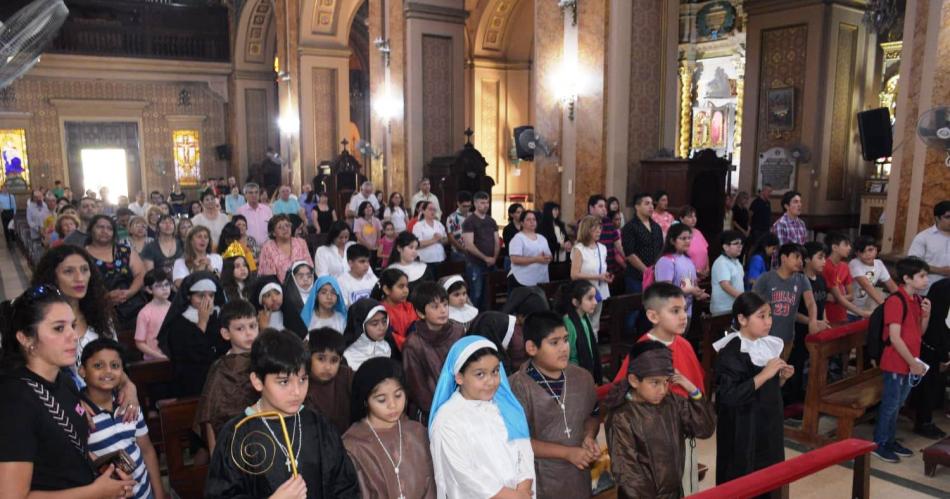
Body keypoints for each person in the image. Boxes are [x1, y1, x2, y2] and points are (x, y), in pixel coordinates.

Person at [0, 285, 138, 498]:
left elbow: (69, 452)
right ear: (26, 338)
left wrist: (107, 475)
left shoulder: (65, 381)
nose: (73, 336)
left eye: (72, 326)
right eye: (58, 328)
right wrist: (95, 492)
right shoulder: (15, 401)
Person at [206, 329, 360, 498]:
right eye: (284, 382)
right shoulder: (236, 434)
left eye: (303, 379)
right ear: (257, 381)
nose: (297, 392)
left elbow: (345, 487)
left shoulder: (319, 425)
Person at [428, 336, 535, 498]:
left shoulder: (508, 408)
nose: (491, 381)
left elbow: (524, 453)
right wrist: (515, 497)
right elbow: (465, 477)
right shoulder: (447, 420)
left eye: (495, 371)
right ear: (459, 377)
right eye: (480, 374)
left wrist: (523, 489)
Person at [605, 341, 715, 499]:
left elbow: (704, 429)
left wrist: (693, 391)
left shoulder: (671, 401)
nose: (662, 390)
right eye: (655, 382)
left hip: (674, 492)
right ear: (634, 380)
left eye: (666, 381)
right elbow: (629, 474)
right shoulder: (621, 416)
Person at [508, 310, 599, 499]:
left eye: (565, 340)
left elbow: (593, 415)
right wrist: (567, 453)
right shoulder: (518, 386)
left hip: (578, 475)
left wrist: (589, 436)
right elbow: (518, 442)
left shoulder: (582, 377)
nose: (564, 348)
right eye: (554, 342)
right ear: (532, 348)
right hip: (541, 478)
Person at [713, 292, 792, 489]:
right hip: (743, 428)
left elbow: (768, 390)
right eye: (761, 316)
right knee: (744, 479)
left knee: (771, 474)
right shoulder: (731, 352)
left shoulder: (768, 345)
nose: (768, 322)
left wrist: (781, 378)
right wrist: (764, 374)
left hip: (768, 425)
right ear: (742, 319)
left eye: (770, 315)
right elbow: (728, 396)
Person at [79, 339, 166, 499]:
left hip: (145, 493)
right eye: (98, 366)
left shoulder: (129, 404)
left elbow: (147, 450)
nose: (108, 371)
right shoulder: (81, 413)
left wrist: (159, 494)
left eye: (115, 365)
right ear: (82, 371)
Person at [343, 357, 437, 498]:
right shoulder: (353, 445)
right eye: (382, 399)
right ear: (365, 401)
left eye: (398, 395)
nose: (392, 405)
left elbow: (432, 485)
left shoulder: (418, 432)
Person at [872, 257, 933, 463]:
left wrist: (926, 316)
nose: (926, 280)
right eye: (921, 276)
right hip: (896, 361)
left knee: (898, 404)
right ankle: (880, 443)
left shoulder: (915, 300)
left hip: (909, 361)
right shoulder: (896, 300)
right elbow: (895, 338)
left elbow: (919, 333)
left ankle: (889, 440)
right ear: (907, 278)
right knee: (890, 404)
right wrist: (913, 363)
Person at [31, 245, 117, 375]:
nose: (79, 278)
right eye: (69, 271)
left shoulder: (100, 315)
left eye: (84, 270)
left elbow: (116, 359)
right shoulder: (38, 319)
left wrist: (125, 382)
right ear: (52, 277)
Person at [194, 299, 259, 451]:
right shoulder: (221, 369)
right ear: (226, 333)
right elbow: (210, 416)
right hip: (232, 440)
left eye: (252, 326)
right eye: (240, 328)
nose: (249, 333)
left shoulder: (266, 360)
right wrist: (215, 456)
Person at [403, 282, 466, 423]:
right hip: (432, 411)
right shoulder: (413, 344)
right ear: (420, 313)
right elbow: (418, 390)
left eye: (445, 304)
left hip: (461, 402)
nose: (443, 310)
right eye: (435, 307)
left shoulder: (458, 332)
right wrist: (443, 412)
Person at [158, 272, 228, 397]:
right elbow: (191, 357)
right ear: (189, 297)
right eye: (201, 296)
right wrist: (202, 322)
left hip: (219, 380)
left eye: (211, 295)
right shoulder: (179, 323)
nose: (207, 301)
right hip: (191, 384)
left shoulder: (220, 317)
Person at [753, 243, 824, 357]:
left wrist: (813, 321)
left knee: (782, 367)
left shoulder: (802, 279)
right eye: (796, 257)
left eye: (801, 258)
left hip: (787, 339)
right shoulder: (766, 278)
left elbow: (810, 302)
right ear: (783, 258)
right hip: (765, 338)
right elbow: (751, 305)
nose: (800, 261)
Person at [84, 215, 147, 330]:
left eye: (109, 228)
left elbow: (141, 274)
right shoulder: (82, 254)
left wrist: (129, 292)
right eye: (100, 227)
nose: (105, 231)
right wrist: (105, 298)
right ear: (91, 229)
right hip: (99, 309)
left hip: (132, 305)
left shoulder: (125, 250)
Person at [910, 277, 949, 439]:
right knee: (927, 386)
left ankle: (927, 419)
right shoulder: (943, 288)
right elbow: (939, 324)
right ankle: (923, 422)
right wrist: (944, 355)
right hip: (932, 346)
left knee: (935, 386)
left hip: (941, 345)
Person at [655, 224, 709, 320]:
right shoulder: (665, 261)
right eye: (683, 238)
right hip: (670, 314)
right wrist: (691, 290)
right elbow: (665, 291)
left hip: (686, 311)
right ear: (672, 241)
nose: (687, 241)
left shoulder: (688, 259)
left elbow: (689, 284)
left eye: (689, 238)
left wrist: (698, 293)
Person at [305, 328, 354, 435]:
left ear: (340, 360)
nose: (327, 367)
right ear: (308, 357)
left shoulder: (346, 375)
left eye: (334, 360)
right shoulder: (302, 384)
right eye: (321, 359)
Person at [571, 215, 612, 332]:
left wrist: (606, 276)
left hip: (600, 291)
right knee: (584, 325)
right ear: (587, 229)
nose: (599, 231)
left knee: (595, 324)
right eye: (595, 228)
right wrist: (598, 276)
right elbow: (574, 275)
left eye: (600, 228)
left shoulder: (602, 248)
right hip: (585, 292)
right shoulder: (579, 249)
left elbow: (600, 268)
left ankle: (594, 343)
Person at [462, 191, 500, 311]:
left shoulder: (491, 221)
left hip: (491, 263)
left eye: (487, 202)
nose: (486, 205)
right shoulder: (469, 221)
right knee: (476, 294)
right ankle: (474, 319)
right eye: (482, 203)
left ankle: (487, 318)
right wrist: (485, 258)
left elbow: (497, 241)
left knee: (489, 295)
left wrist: (494, 258)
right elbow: (469, 245)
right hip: (475, 263)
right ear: (475, 204)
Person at [622, 192, 664, 294]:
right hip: (636, 277)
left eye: (652, 204)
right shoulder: (630, 227)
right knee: (636, 303)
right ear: (637, 207)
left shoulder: (656, 227)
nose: (651, 206)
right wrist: (647, 271)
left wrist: (657, 271)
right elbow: (630, 254)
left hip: (655, 275)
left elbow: (661, 249)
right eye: (647, 203)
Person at [561, 280, 601, 384]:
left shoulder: (584, 317)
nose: (595, 302)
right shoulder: (569, 323)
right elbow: (565, 356)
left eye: (595, 297)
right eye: (590, 298)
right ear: (575, 302)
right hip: (574, 377)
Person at [849, 236, 899, 318]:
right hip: (850, 310)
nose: (867, 254)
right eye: (863, 251)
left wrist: (902, 301)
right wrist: (885, 306)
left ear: (876, 250)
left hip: (866, 310)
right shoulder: (854, 263)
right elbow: (867, 286)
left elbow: (891, 285)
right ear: (857, 253)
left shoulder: (879, 264)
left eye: (870, 250)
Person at [907, 200, 950, 295]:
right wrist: (941, 271)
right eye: (948, 217)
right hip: (928, 291)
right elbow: (913, 263)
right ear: (937, 218)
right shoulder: (924, 237)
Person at [819, 233, 864, 321]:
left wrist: (836, 298)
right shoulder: (825, 266)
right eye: (846, 245)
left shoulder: (845, 266)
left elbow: (851, 296)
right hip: (826, 316)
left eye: (849, 245)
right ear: (834, 247)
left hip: (842, 314)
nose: (849, 248)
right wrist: (829, 297)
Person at [258, 214, 314, 282]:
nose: (285, 229)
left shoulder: (301, 242)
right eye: (280, 227)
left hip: (304, 283)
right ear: (273, 233)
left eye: (287, 225)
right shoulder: (268, 247)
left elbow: (310, 266)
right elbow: (269, 278)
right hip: (279, 287)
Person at [372, 268, 416, 353]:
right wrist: (409, 345)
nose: (406, 291)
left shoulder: (409, 306)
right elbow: (390, 337)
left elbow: (415, 329)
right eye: (401, 286)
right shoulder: (379, 311)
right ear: (386, 290)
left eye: (407, 286)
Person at [343, 298, 392, 371]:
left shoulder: (388, 347)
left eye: (384, 321)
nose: (382, 328)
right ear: (361, 326)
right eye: (375, 324)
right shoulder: (348, 356)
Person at [508, 209, 552, 289]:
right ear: (522, 223)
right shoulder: (518, 238)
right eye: (528, 220)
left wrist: (548, 258)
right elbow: (515, 259)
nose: (532, 222)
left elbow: (549, 255)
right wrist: (536, 259)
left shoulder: (542, 238)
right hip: (522, 279)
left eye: (534, 219)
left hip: (540, 278)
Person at [134, 269, 172, 361]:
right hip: (154, 360)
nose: (164, 288)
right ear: (149, 289)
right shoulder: (145, 313)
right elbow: (139, 343)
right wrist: (158, 356)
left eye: (167, 284)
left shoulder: (175, 307)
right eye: (158, 286)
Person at [710, 230, 745, 315]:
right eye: (736, 243)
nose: (740, 246)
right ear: (725, 247)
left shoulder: (737, 262)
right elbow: (725, 285)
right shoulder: (721, 262)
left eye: (741, 243)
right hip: (723, 310)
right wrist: (744, 298)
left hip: (734, 307)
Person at [280, 261, 317, 338]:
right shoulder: (287, 301)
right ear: (293, 278)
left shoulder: (319, 295)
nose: (305, 279)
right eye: (301, 276)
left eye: (309, 276)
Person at [770, 191, 807, 268]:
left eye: (800, 202)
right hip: (782, 268)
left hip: (798, 266)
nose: (799, 205)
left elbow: (804, 247)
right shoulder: (781, 224)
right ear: (786, 206)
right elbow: (782, 252)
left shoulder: (801, 224)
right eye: (795, 202)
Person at [413, 200, 448, 272]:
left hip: (440, 258)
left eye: (434, 210)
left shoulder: (439, 224)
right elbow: (417, 244)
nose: (432, 212)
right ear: (423, 211)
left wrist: (441, 239)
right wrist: (434, 240)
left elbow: (446, 240)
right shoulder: (418, 226)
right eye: (430, 209)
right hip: (426, 260)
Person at [679, 206, 709, 277]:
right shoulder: (679, 235)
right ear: (681, 219)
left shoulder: (698, 232)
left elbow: (706, 252)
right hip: (686, 276)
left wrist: (707, 268)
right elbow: (679, 257)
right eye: (690, 217)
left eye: (694, 216)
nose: (693, 219)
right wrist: (695, 271)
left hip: (702, 276)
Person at [445, 190, 472, 261]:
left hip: (473, 251)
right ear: (458, 204)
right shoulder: (452, 218)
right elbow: (451, 238)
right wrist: (464, 250)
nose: (467, 208)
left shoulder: (472, 216)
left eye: (469, 206)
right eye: (464, 206)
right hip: (458, 252)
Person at [502, 203, 525, 269]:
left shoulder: (526, 226)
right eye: (518, 212)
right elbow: (509, 245)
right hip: (511, 259)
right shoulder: (507, 229)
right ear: (511, 214)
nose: (521, 214)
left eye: (522, 212)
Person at [0, 182, 17, 247]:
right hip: (4, 213)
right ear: (1, 189)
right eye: (3, 188)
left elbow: (14, 205)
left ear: (7, 189)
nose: (4, 189)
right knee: (5, 227)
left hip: (10, 212)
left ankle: (13, 239)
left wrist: (14, 213)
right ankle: (8, 241)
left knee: (11, 227)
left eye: (5, 188)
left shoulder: (11, 196)